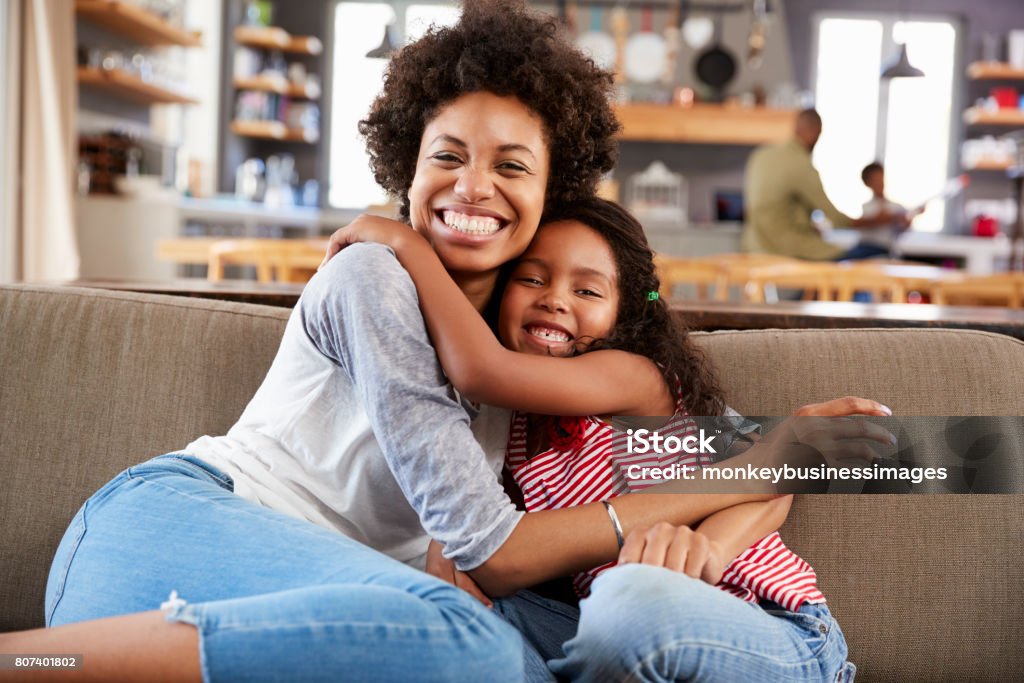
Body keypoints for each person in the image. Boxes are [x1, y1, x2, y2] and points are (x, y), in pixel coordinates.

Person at [0, 4, 792, 681]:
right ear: (405, 169)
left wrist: (766, 488)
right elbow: (493, 547)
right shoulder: (372, 277)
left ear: (551, 191)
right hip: (168, 536)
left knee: (502, 658)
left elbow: (778, 458)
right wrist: (741, 478)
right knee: (478, 651)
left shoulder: (528, 354)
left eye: (510, 166)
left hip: (335, 611)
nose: (473, 187)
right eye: (446, 155)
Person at [322, 197, 891, 681]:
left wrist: (407, 245)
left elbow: (772, 477)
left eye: (588, 291)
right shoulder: (511, 429)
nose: (555, 299)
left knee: (629, 605)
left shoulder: (633, 380)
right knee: (444, 611)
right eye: (532, 278)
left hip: (771, 626)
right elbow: (483, 533)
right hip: (613, 623)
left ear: (623, 317)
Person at [742, 109, 910, 261]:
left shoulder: (760, 156)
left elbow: (767, 206)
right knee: (865, 256)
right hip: (788, 251)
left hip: (755, 247)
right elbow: (837, 220)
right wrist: (884, 219)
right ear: (815, 132)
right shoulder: (801, 165)